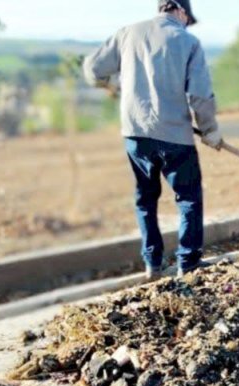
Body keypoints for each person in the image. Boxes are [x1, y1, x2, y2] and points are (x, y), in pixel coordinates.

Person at [83, 0, 223, 279]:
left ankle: (152, 263)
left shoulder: (128, 33)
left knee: (145, 199)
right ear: (181, 11)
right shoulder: (188, 41)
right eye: (188, 18)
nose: (187, 23)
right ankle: (189, 263)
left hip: (135, 133)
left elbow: (92, 69)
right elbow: (200, 95)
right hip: (175, 136)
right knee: (188, 199)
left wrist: (113, 85)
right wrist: (209, 130)